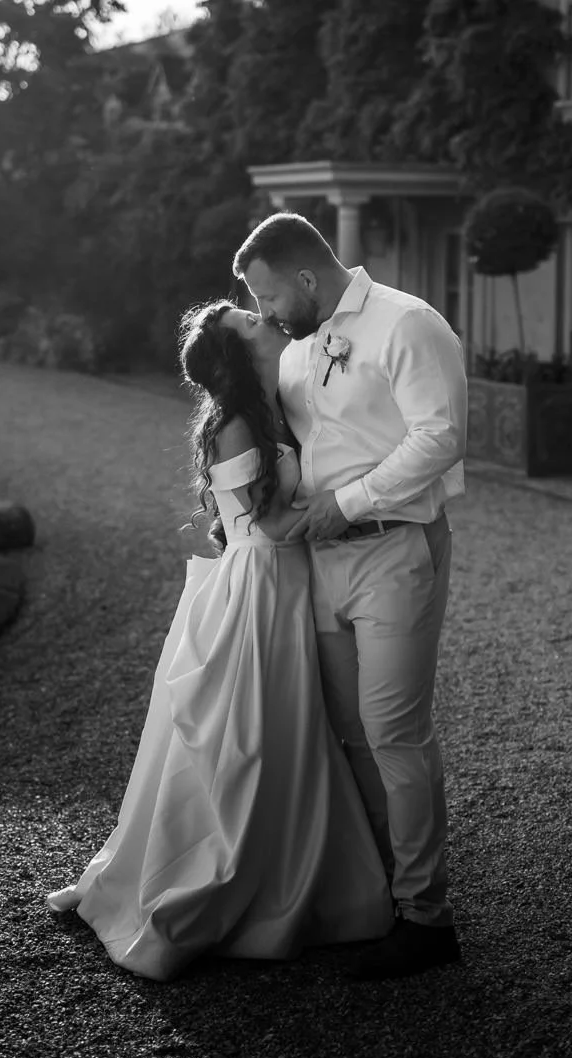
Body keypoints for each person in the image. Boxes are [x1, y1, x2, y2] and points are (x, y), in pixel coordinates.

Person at [46, 300, 394, 981]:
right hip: (260, 588)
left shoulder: (275, 403)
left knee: (289, 733)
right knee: (249, 737)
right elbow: (269, 527)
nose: (258, 316)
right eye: (245, 317)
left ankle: (297, 866)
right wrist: (361, 504)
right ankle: (214, 877)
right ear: (237, 353)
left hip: (287, 585)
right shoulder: (236, 424)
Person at [232, 212, 468, 980]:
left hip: (394, 551)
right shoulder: (299, 347)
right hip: (319, 566)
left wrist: (351, 502)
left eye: (269, 298)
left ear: (306, 277)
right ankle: (378, 894)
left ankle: (427, 922)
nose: (265, 316)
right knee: (350, 734)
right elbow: (296, 445)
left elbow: (441, 436)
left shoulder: (408, 324)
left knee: (395, 731)